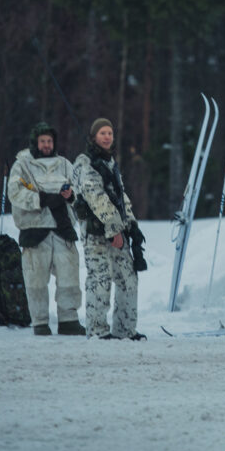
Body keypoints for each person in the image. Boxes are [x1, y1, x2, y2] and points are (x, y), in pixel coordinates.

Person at [7, 122, 86, 336]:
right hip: (35, 230)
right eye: (42, 141)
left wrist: (71, 197)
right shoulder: (22, 165)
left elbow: (80, 191)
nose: (46, 145)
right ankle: (40, 322)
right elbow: (14, 193)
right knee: (36, 280)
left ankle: (69, 320)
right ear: (35, 142)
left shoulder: (65, 164)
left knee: (69, 277)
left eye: (49, 141)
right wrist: (42, 199)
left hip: (62, 230)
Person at [72, 118, 147, 340]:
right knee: (100, 279)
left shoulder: (110, 162)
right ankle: (97, 330)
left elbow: (120, 197)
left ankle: (125, 329)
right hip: (96, 233)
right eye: (102, 133)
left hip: (117, 231)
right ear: (94, 136)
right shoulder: (84, 163)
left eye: (110, 133)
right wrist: (114, 229)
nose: (107, 137)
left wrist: (131, 225)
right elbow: (96, 198)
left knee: (128, 277)